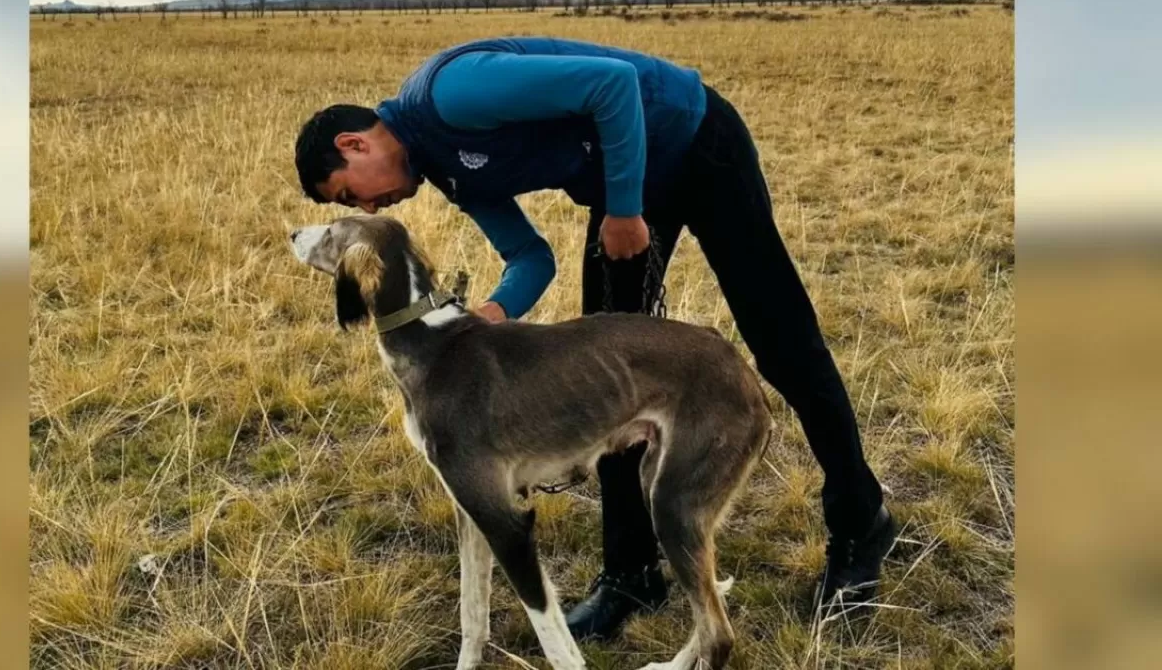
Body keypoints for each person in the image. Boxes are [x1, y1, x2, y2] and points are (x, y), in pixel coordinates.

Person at [292, 37, 896, 640]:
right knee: (609, 378)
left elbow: (613, 85)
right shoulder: (451, 174)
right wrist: (489, 313)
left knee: (783, 344)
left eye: (350, 194)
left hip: (694, 142)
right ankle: (631, 573)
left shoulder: (450, 92)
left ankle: (858, 523)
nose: (368, 206)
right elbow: (530, 258)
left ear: (355, 144)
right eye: (353, 206)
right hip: (624, 187)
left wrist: (626, 209)